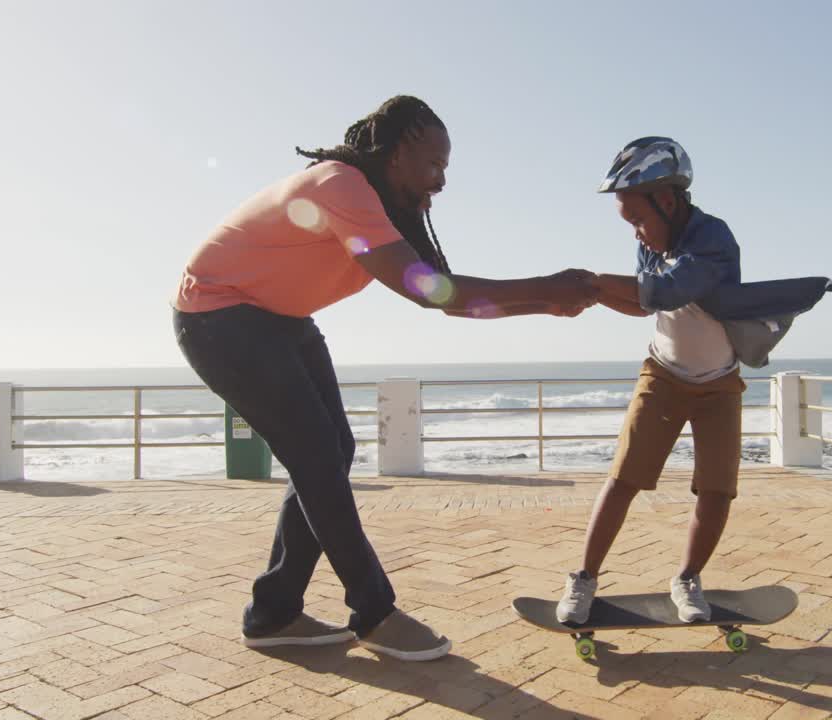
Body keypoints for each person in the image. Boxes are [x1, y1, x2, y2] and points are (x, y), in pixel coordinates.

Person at [172, 95, 596, 661]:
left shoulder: (391, 205)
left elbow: (445, 298)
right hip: (219, 315)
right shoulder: (340, 186)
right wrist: (547, 285)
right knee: (318, 457)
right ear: (396, 154)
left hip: (281, 320)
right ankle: (373, 613)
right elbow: (429, 293)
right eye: (433, 165)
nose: (441, 181)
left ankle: (273, 612)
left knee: (332, 452)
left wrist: (547, 302)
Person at [556, 136, 832, 625]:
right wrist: (594, 295)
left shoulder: (713, 239)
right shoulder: (651, 239)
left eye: (639, 220)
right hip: (662, 375)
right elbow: (645, 303)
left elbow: (666, 290)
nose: (638, 234)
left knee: (717, 489)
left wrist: (593, 280)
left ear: (668, 200)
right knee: (625, 479)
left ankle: (687, 580)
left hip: (719, 384)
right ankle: (583, 579)